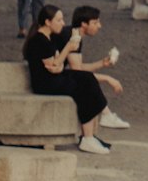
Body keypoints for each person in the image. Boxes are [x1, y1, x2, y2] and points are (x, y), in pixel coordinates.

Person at [21, 9, 115, 153]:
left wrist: (58, 64)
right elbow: (53, 66)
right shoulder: (39, 40)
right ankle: (90, 134)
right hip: (45, 84)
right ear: (47, 22)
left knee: (87, 78)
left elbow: (57, 66)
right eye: (59, 20)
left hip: (53, 78)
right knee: (83, 86)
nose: (63, 23)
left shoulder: (49, 38)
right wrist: (68, 48)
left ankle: (93, 131)